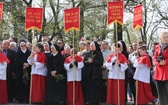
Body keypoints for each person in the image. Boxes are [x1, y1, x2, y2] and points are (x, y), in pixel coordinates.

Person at [153, 32, 168, 105]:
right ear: (160, 38)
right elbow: (154, 58)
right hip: (159, 74)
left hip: (167, 72)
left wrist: (166, 62)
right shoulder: (157, 47)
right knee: (161, 93)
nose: (166, 39)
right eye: (164, 37)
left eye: (167, 37)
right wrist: (158, 63)